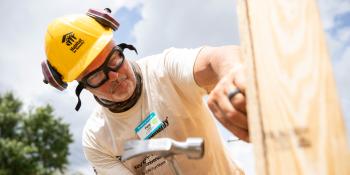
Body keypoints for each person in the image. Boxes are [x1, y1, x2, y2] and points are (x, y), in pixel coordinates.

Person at [41, 8, 248, 175]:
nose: (114, 76)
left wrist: (234, 71)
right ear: (82, 86)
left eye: (114, 59)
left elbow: (217, 58)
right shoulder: (97, 140)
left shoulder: (165, 71)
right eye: (96, 76)